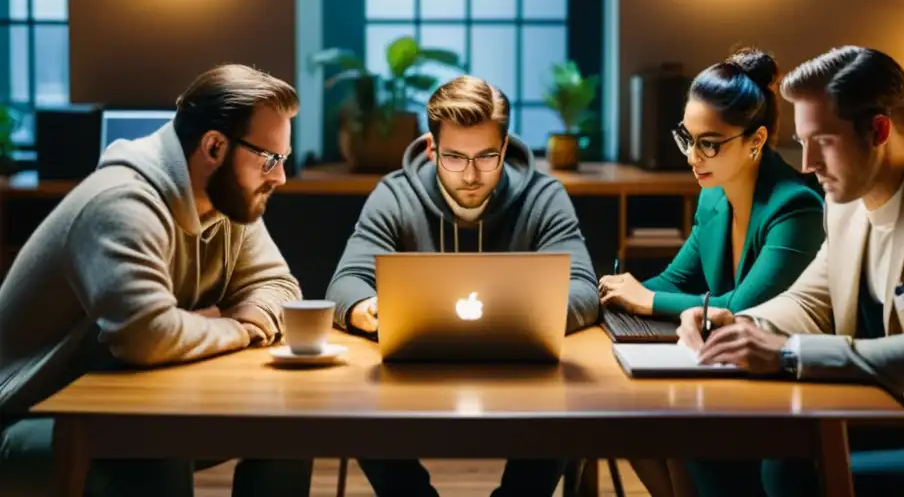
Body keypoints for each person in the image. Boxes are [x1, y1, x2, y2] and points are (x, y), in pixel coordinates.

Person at [677, 46, 904, 497]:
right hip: (881, 417)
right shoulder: (847, 201)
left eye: (823, 142)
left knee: (790, 473)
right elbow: (809, 300)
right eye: (803, 143)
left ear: (879, 129)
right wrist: (739, 325)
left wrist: (785, 353)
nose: (808, 165)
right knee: (709, 442)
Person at [0, 64, 313, 497]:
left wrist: (211, 323)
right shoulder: (121, 203)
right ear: (215, 146)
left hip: (127, 399)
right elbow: (146, 336)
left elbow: (279, 286)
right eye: (270, 159)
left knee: (289, 421)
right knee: (151, 439)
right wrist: (234, 327)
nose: (278, 176)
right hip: (29, 420)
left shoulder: (227, 201)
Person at [326, 74, 600, 497]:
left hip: (525, 378)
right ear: (432, 148)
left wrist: (528, 320)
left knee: (570, 397)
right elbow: (345, 284)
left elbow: (583, 288)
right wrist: (367, 307)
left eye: (486, 156)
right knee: (354, 399)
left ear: (505, 148)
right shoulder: (395, 196)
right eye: (454, 157)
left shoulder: (545, 196)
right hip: (413, 377)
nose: (470, 175)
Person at [597, 49, 826, 497]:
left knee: (672, 430)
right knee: (628, 423)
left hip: (787, 386)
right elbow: (674, 281)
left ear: (756, 140)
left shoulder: (796, 207)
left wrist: (646, 300)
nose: (692, 156)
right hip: (731, 372)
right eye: (688, 137)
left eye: (710, 142)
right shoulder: (713, 195)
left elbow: (743, 308)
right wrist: (599, 294)